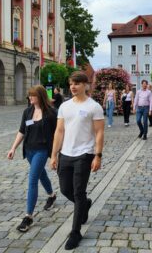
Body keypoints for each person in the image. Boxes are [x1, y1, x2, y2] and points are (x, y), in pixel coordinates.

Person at [50, 71, 105, 250]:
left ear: (85, 85)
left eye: (77, 83)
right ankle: (85, 205)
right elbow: (59, 131)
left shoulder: (94, 107)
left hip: (85, 154)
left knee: (78, 192)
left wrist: (98, 155)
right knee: (66, 189)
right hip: (66, 153)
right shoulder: (65, 106)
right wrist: (54, 154)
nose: (73, 86)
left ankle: (75, 232)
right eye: (71, 83)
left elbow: (99, 132)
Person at [7, 85, 58, 232]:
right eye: (29, 95)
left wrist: (55, 154)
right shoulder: (27, 112)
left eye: (33, 95)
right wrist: (13, 148)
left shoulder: (51, 113)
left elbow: (57, 134)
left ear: (40, 96)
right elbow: (22, 131)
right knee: (41, 174)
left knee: (33, 179)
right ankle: (52, 195)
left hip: (42, 150)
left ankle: (28, 216)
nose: (30, 98)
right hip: (28, 150)